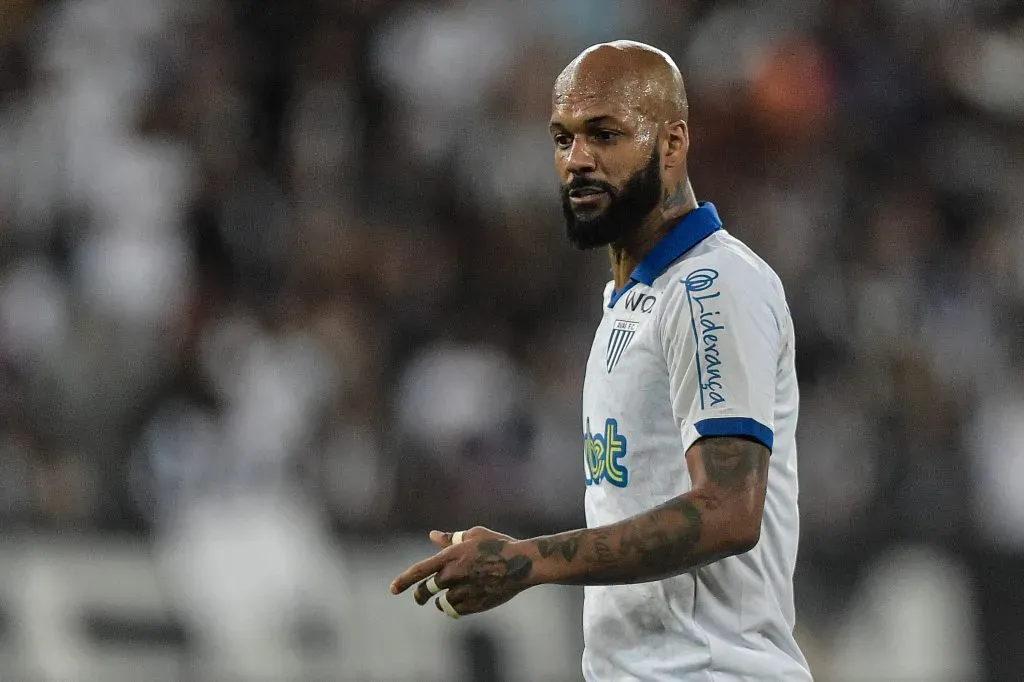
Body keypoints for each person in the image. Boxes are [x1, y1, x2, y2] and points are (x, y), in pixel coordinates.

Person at [391, 40, 812, 681]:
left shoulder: (712, 287)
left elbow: (729, 512)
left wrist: (529, 560)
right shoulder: (632, 299)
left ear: (672, 144)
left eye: (605, 135)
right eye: (563, 139)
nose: (577, 160)